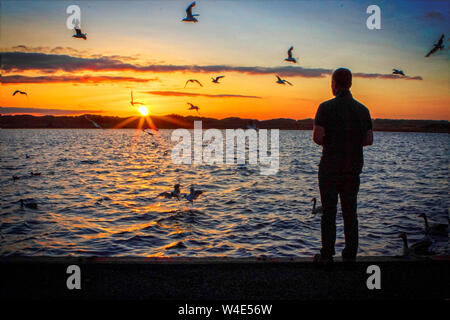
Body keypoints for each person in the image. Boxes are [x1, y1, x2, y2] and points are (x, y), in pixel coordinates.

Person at [312, 68, 373, 265]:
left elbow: (318, 137)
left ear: (334, 84)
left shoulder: (325, 107)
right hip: (352, 168)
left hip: (330, 167)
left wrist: (333, 141)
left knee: (329, 212)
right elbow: (369, 140)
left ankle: (327, 255)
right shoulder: (363, 110)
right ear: (351, 84)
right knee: (350, 212)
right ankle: (350, 256)